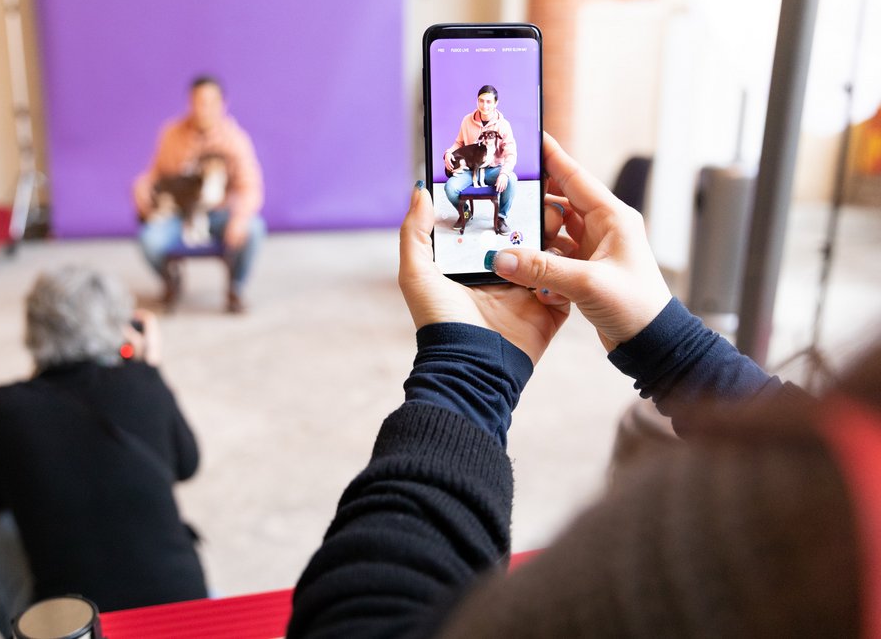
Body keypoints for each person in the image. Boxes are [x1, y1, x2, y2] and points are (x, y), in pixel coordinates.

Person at [286, 133, 876, 637]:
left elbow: (362, 625)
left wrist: (468, 374)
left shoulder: (829, 522)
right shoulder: (831, 485)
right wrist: (671, 344)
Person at [0, 266, 207, 635]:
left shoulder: (3, 406)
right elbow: (188, 463)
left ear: (34, 326)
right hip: (187, 611)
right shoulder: (144, 382)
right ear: (120, 326)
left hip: (80, 628)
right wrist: (150, 371)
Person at [133, 75, 265, 313]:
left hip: (218, 213)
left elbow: (250, 187)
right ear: (190, 102)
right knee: (148, 239)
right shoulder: (172, 133)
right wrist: (143, 187)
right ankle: (171, 281)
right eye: (198, 102)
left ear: (222, 104)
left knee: (254, 228)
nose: (203, 108)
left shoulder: (235, 139)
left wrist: (240, 218)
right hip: (179, 214)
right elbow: (156, 174)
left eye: (210, 102)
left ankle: (236, 288)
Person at [443, 84, 518, 234]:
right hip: (469, 169)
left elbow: (511, 153)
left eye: (489, 101)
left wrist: (504, 173)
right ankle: (465, 213)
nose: (484, 105)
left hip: (492, 170)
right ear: (477, 101)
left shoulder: (503, 125)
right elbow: (459, 143)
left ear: (496, 103)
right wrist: (448, 153)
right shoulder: (467, 120)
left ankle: (501, 218)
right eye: (481, 101)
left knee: (511, 179)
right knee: (449, 188)